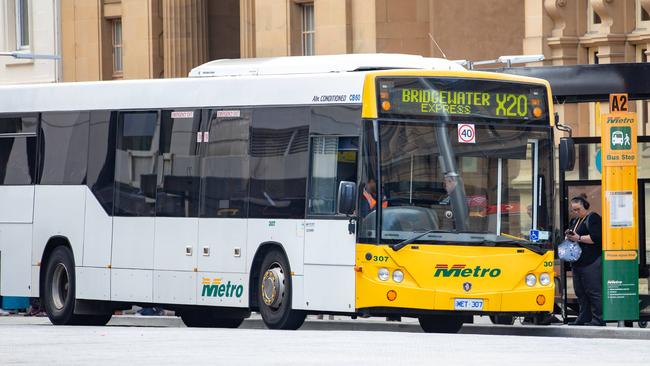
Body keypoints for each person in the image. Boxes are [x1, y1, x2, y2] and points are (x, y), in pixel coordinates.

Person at [565, 194, 604, 326]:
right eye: (573, 210)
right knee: (580, 292)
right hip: (577, 262)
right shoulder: (575, 221)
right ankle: (584, 317)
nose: (576, 212)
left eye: (578, 209)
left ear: (585, 207)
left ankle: (599, 319)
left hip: (591, 261)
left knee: (593, 291)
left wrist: (579, 238)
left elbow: (597, 238)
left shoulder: (593, 218)